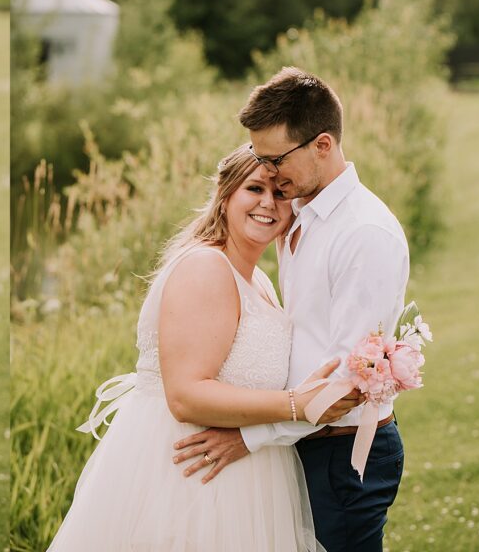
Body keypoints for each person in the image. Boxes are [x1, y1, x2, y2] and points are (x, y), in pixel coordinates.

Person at [48, 145, 358, 551]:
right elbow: (186, 395)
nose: (268, 203)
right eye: (254, 189)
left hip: (246, 474)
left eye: (281, 193)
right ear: (226, 194)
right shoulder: (205, 268)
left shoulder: (258, 282)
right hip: (190, 475)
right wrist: (296, 404)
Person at [173, 67, 408, 552]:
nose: (268, 172)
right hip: (301, 442)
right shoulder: (299, 212)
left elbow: (349, 383)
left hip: (342, 454)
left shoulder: (364, 234)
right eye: (260, 157)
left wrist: (251, 437)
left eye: (275, 158)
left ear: (323, 145)